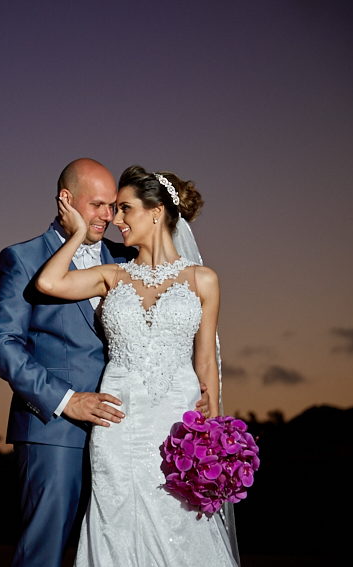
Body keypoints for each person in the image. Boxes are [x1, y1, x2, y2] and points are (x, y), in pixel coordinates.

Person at [0, 159, 210, 567]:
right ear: (66, 201)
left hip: (129, 429)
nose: (109, 216)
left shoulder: (125, 257)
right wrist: (66, 400)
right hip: (56, 429)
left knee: (122, 543)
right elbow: (0, 343)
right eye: (98, 205)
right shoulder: (23, 257)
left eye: (115, 206)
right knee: (45, 551)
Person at [36, 165, 239, 566]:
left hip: (178, 423)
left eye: (126, 209)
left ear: (157, 211)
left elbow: (205, 361)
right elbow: (49, 283)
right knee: (115, 522)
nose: (116, 219)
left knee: (180, 526)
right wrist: (77, 233)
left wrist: (213, 433)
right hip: (118, 425)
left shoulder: (204, 280)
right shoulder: (112, 275)